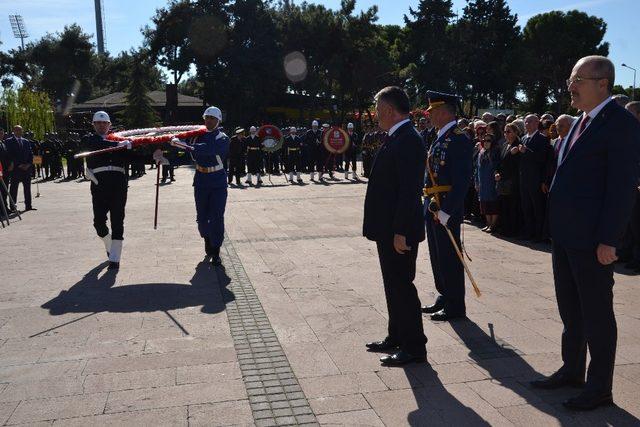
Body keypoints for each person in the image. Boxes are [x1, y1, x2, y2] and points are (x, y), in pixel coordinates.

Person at [531, 56, 640, 411]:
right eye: (570, 78)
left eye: (578, 79)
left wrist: (610, 239)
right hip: (565, 236)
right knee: (571, 309)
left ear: (603, 83)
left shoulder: (620, 123)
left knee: (597, 314)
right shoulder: (580, 122)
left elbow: (622, 188)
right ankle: (572, 369)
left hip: (594, 240)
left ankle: (600, 387)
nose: (571, 86)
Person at [363, 86, 427, 366]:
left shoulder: (408, 139)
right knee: (393, 284)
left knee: (402, 285)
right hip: (387, 228)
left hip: (398, 231)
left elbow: (409, 192)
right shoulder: (397, 136)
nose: (375, 115)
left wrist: (401, 231)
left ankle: (414, 346)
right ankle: (396, 335)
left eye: (377, 109)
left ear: (388, 110)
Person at [422, 91, 473, 321]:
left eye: (432, 111)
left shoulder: (458, 137)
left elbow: (462, 181)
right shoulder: (440, 136)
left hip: (445, 208)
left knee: (451, 257)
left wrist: (447, 211)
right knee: (437, 255)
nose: (429, 115)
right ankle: (444, 295)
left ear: (443, 112)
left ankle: (455, 305)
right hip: (433, 205)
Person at [171, 106, 230, 266]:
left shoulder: (222, 137)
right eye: (207, 118)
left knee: (217, 215)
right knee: (202, 216)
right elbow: (187, 156)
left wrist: (183, 145)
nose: (209, 121)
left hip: (217, 181)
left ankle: (216, 250)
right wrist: (167, 154)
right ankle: (207, 238)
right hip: (201, 180)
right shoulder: (196, 137)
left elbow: (208, 150)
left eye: (212, 118)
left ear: (218, 120)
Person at [81, 111, 133, 269]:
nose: (102, 125)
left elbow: (133, 156)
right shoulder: (89, 139)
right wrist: (118, 145)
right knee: (99, 223)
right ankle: (109, 244)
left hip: (118, 183)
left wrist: (156, 155)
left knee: (118, 219)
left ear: (110, 125)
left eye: (105, 123)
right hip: (99, 184)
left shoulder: (119, 140)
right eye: (98, 123)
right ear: (94, 125)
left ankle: (115, 257)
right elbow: (97, 145)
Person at [518, 114, 550, 241]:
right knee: (526, 207)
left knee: (537, 208)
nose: (526, 124)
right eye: (525, 122)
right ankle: (528, 232)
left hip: (535, 179)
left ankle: (538, 234)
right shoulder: (523, 138)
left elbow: (542, 159)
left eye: (529, 122)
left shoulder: (542, 139)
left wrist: (528, 152)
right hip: (524, 179)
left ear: (537, 123)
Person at [495, 122, 522, 237]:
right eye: (505, 131)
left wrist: (511, 154)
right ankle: (504, 228)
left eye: (508, 131)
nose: (506, 134)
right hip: (502, 180)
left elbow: (514, 164)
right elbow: (500, 162)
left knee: (511, 206)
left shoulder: (518, 146)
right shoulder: (505, 145)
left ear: (515, 133)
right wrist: (496, 172)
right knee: (503, 205)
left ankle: (512, 230)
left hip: (512, 181)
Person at [5, 125, 35, 212]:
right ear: (13, 131)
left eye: (20, 130)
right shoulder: (8, 141)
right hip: (16, 169)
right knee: (14, 188)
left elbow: (30, 154)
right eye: (17, 130)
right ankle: (13, 207)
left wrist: (29, 164)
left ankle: (28, 206)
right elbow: (10, 155)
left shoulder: (26, 141)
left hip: (26, 169)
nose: (19, 132)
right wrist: (19, 165)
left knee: (27, 188)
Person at [476, 133, 501, 233]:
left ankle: (493, 225)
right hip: (482, 181)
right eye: (484, 140)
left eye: (488, 140)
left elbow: (496, 166)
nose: (486, 142)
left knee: (493, 203)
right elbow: (477, 168)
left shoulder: (495, 152)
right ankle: (488, 223)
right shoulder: (481, 152)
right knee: (484, 203)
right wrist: (476, 182)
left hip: (491, 181)